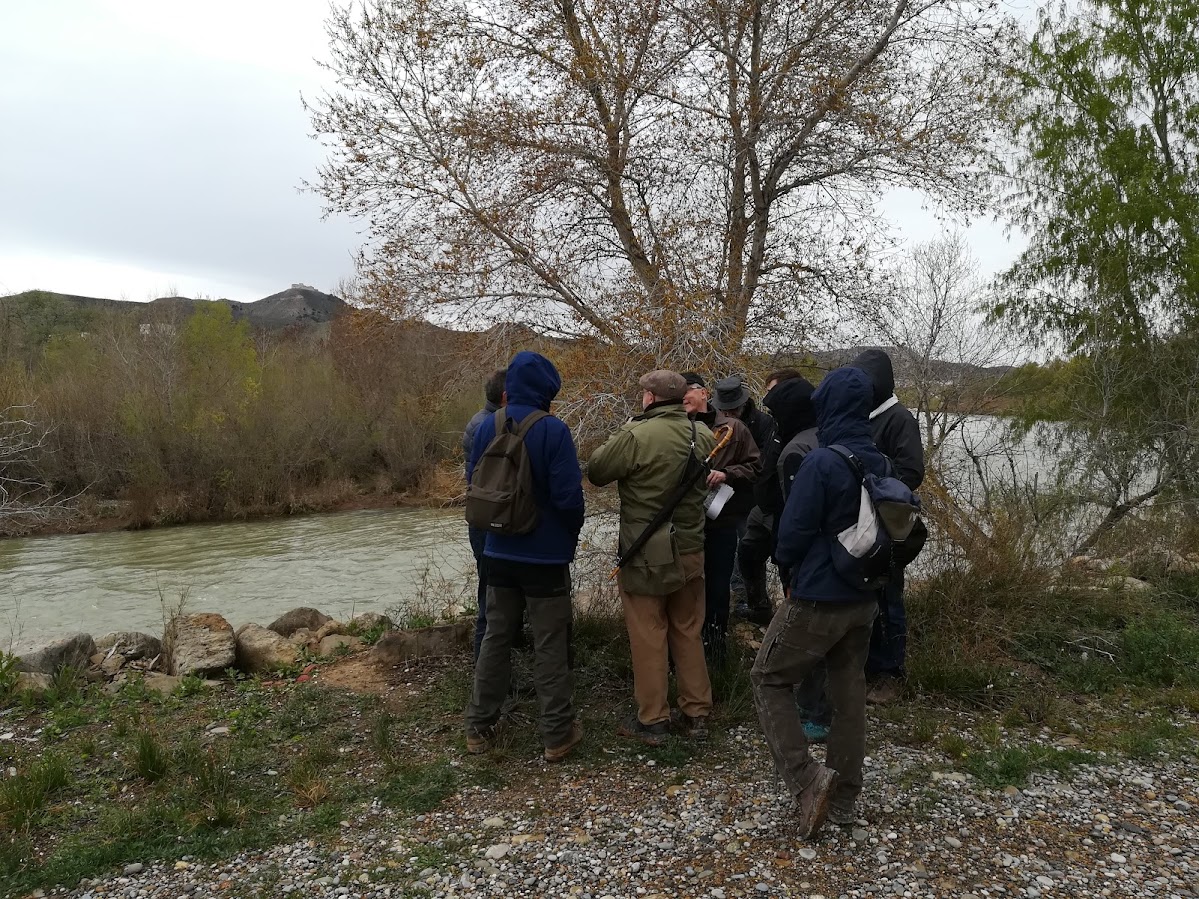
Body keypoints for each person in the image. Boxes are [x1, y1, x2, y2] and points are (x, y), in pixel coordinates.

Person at [750, 366, 887, 838]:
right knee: (849, 694)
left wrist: (786, 568)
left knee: (768, 678)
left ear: (826, 406)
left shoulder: (822, 462)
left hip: (818, 596)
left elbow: (792, 534)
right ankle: (846, 798)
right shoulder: (880, 461)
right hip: (865, 597)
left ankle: (808, 780)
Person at [464, 352, 585, 763]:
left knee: (496, 637)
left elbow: (475, 483)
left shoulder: (487, 426)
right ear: (547, 390)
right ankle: (557, 735)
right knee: (549, 643)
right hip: (546, 558)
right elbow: (569, 498)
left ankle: (479, 727)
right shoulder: (553, 430)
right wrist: (569, 536)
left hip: (497, 551)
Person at [588, 370, 716, 745]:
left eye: (643, 393)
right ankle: (697, 713)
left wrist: (625, 429)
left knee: (648, 634)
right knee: (688, 630)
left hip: (645, 553)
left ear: (651, 398)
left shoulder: (636, 435)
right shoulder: (704, 435)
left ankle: (654, 720)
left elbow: (596, 470)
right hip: (691, 549)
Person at [851, 349, 925, 705]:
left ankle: (889, 674)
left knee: (889, 597)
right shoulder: (863, 418)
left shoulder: (898, 419)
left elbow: (912, 473)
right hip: (862, 524)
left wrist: (870, 477)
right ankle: (864, 668)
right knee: (865, 597)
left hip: (889, 524)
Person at [680, 373, 760, 663]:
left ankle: (714, 653)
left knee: (717, 589)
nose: (684, 396)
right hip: (683, 526)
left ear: (703, 394)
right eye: (679, 392)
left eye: (689, 390)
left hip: (721, 522)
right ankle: (683, 654)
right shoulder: (673, 428)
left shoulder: (733, 428)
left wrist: (728, 474)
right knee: (684, 589)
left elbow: (756, 466)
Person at [735, 368, 803, 624]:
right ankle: (759, 607)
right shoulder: (775, 423)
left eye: (772, 391)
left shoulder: (802, 426)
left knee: (788, 564)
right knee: (748, 551)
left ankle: (791, 619)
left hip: (786, 510)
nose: (767, 398)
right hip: (762, 506)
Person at [464, 368, 508, 661]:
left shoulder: (478, 422)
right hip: (491, 522)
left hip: (480, 518)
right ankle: (487, 667)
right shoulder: (491, 426)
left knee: (491, 593)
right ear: (506, 397)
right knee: (491, 599)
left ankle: (490, 668)